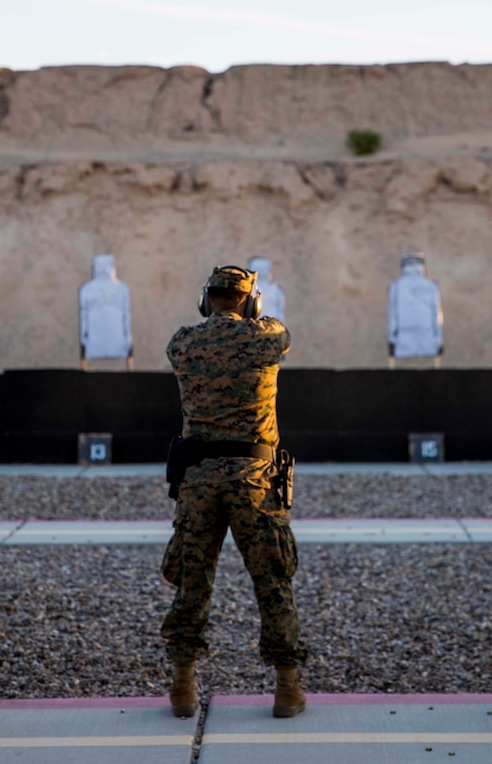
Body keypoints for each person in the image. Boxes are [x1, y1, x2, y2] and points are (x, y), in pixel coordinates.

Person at [160, 265, 308, 719]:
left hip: (199, 479)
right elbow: (280, 332)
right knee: (273, 584)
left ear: (207, 300)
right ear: (250, 301)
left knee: (192, 583)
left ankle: (183, 686)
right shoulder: (266, 338)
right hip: (253, 481)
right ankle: (286, 688)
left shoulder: (183, 342)